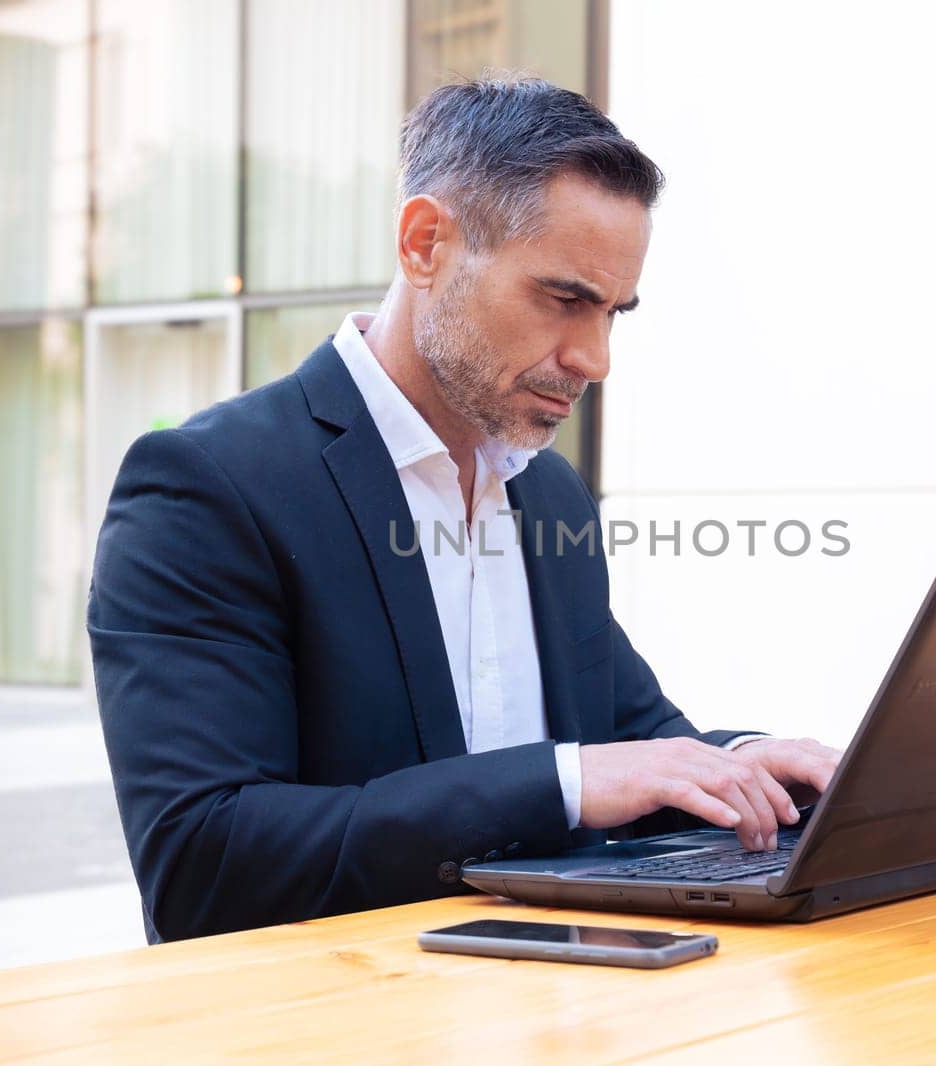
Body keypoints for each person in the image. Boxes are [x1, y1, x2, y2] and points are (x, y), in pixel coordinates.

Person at [89, 76, 841, 944]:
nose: (594, 358)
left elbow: (633, 745)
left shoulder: (547, 492)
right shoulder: (210, 485)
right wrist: (560, 783)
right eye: (563, 299)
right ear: (424, 244)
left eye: (612, 313)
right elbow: (203, 863)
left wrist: (754, 764)